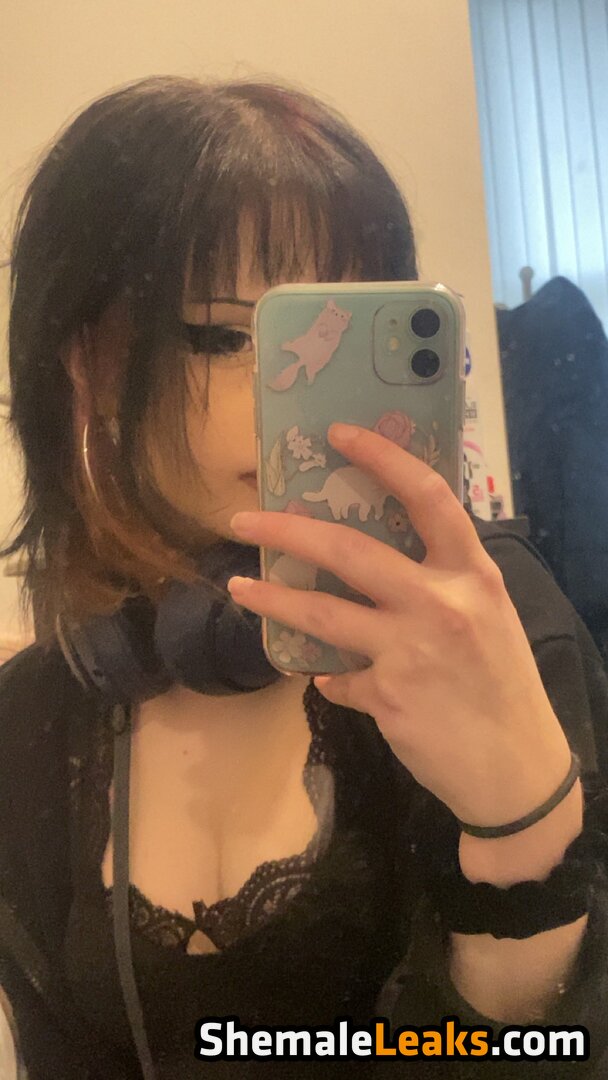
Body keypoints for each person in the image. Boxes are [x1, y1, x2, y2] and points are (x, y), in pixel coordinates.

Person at [1, 75, 608, 1080]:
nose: (289, 395)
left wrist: (521, 831)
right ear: (91, 366)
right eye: (220, 334)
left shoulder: (496, 631)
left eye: (338, 335)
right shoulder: (35, 715)